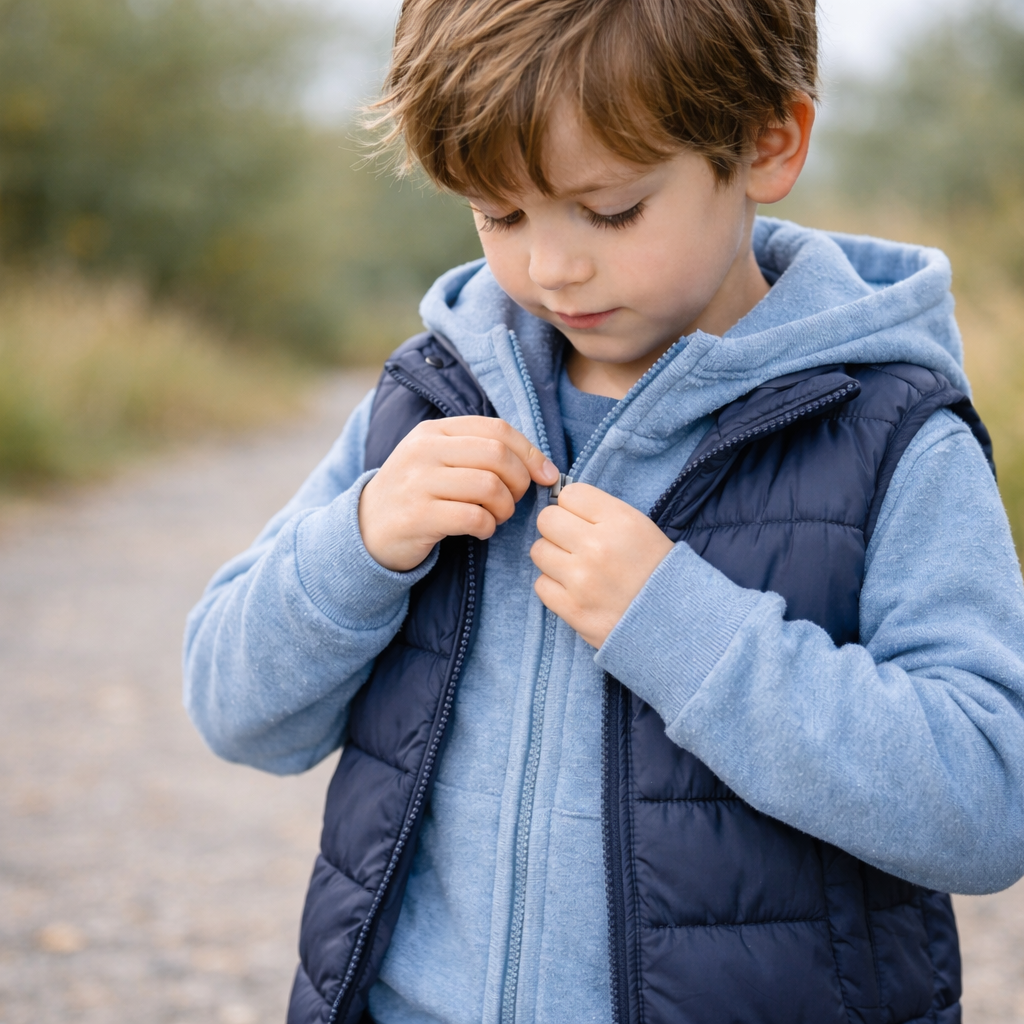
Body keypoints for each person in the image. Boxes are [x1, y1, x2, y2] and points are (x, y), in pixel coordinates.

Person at [182, 0, 1024, 1021]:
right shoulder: (429, 403)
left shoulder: (891, 435)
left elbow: (988, 800)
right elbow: (237, 715)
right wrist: (357, 543)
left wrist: (681, 627)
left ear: (768, 142)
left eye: (611, 210)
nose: (552, 268)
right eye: (499, 214)